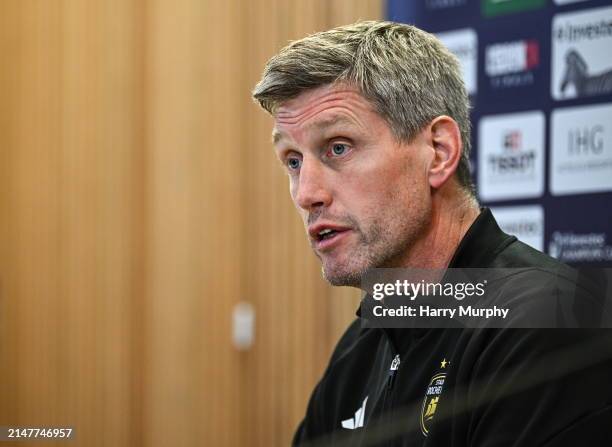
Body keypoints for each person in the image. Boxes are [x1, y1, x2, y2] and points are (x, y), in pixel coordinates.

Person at [252, 21, 612, 446]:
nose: (306, 194)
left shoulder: (547, 327)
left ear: (438, 153)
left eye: (338, 147)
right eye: (293, 161)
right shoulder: (362, 342)